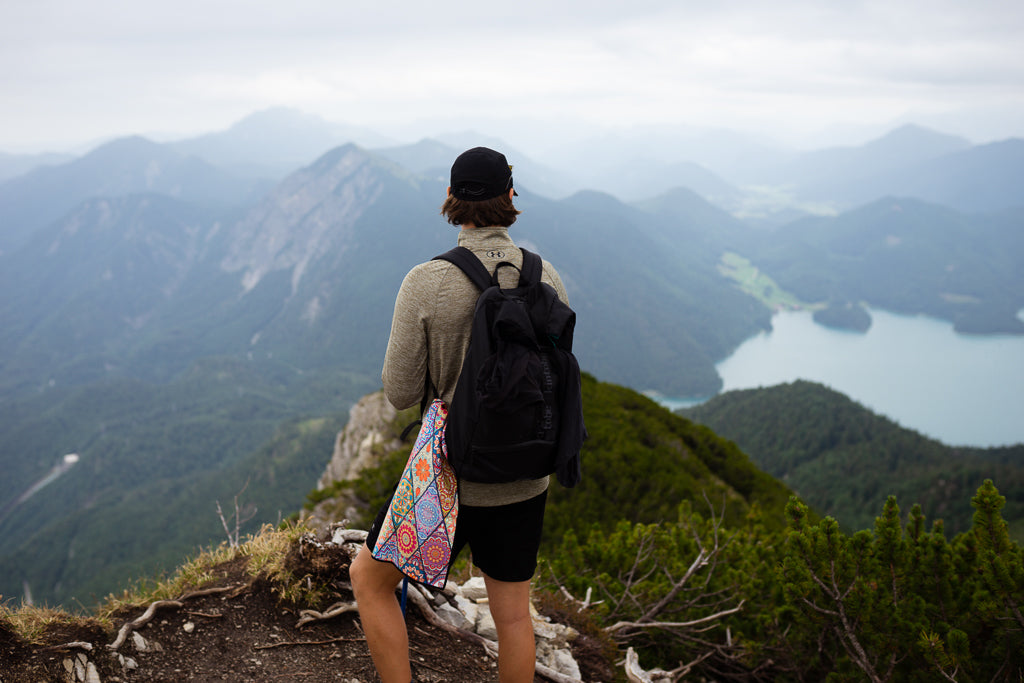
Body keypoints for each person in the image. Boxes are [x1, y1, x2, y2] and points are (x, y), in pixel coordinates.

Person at [350, 146, 571, 683]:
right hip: (526, 475)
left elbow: (400, 392)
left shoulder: (427, 282)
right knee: (514, 617)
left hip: (448, 476)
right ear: (511, 196)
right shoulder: (549, 280)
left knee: (369, 580)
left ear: (451, 198)